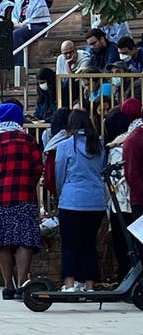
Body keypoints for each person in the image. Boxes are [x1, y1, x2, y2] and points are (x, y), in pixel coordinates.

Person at [0, 102, 45, 299]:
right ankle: (23, 283)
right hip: (24, 193)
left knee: (3, 242)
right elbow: (37, 167)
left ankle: (8, 285)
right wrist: (30, 183)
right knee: (24, 240)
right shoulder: (27, 140)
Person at [55, 108, 107, 292]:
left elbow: (59, 174)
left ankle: (69, 283)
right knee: (88, 244)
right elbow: (102, 170)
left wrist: (63, 193)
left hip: (71, 199)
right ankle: (89, 284)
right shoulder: (99, 146)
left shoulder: (65, 145)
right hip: (95, 200)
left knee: (69, 244)